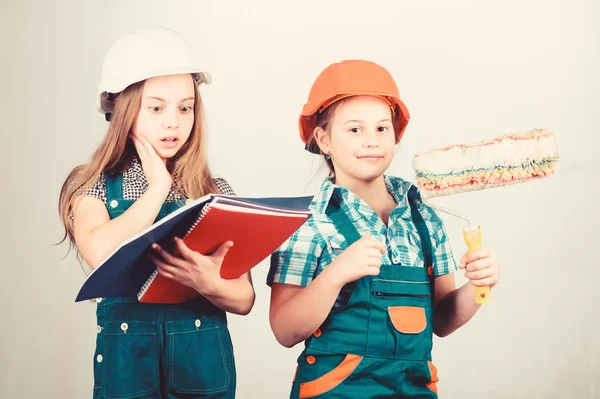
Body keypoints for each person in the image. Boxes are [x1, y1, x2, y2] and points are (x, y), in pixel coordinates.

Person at [267, 59, 500, 398]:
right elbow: (284, 330)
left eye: (382, 128)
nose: (371, 141)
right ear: (323, 140)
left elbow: (443, 320)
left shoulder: (424, 218)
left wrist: (478, 286)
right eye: (354, 129)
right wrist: (336, 274)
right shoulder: (308, 222)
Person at [58, 26, 254, 399]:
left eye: (185, 107)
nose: (173, 122)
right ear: (123, 110)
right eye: (156, 107)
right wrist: (157, 188)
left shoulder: (214, 191)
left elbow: (244, 298)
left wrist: (207, 282)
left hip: (204, 370)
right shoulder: (93, 187)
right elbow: (102, 254)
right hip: (128, 372)